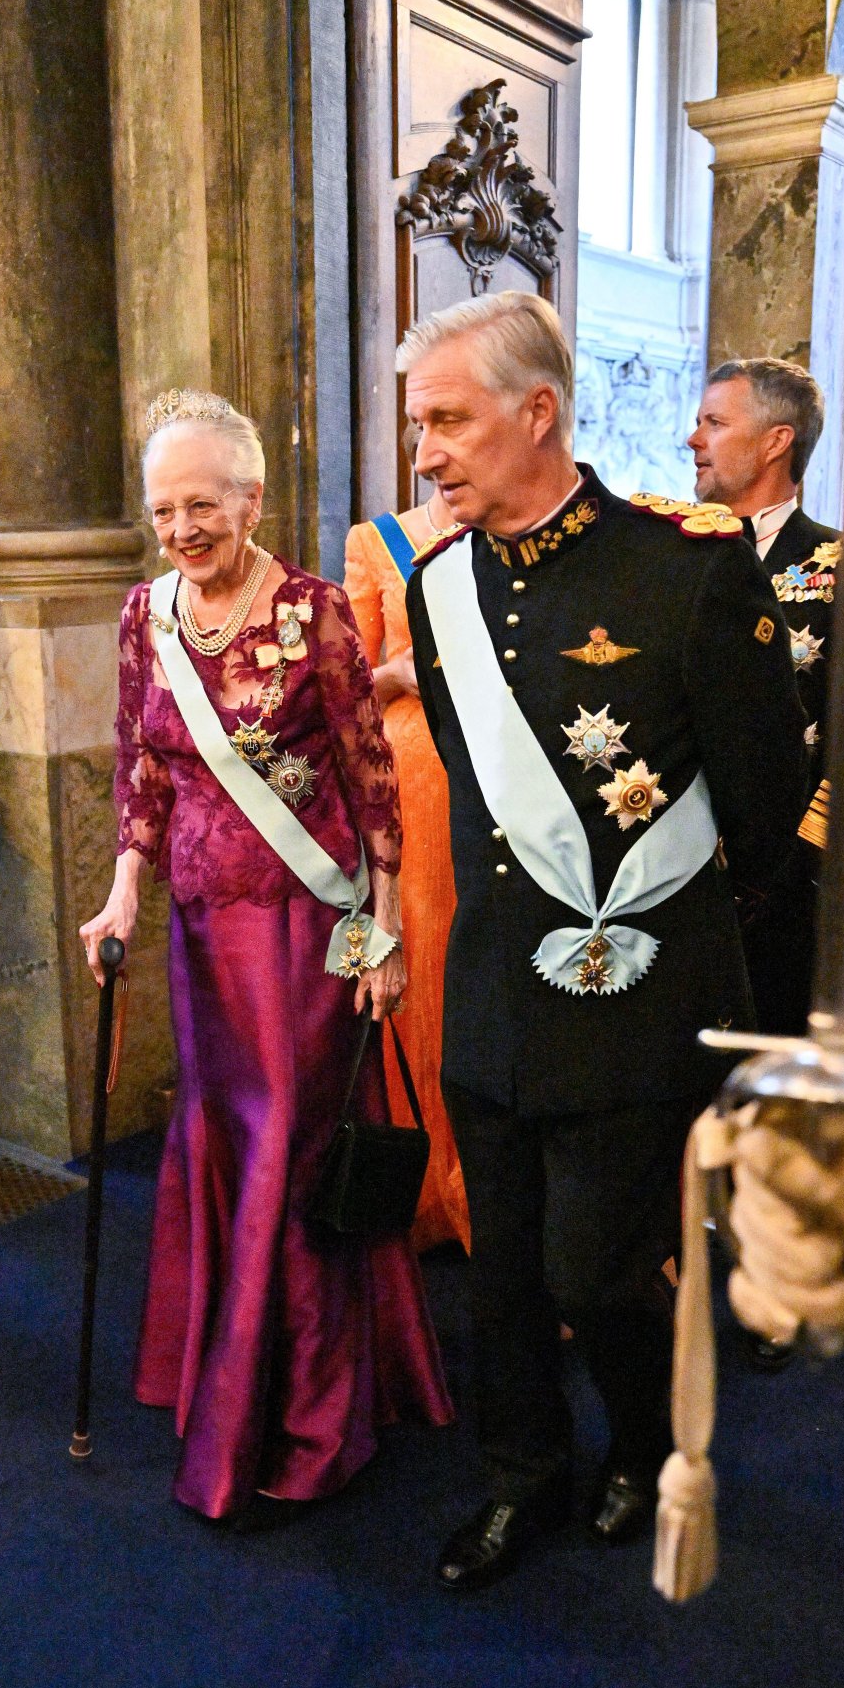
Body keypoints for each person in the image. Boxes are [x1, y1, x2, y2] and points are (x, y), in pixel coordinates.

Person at [399, 291, 808, 1590]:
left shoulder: (686, 569)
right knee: (503, 1274)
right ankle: (524, 1479)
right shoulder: (439, 587)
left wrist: (659, 952)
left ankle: (637, 1442)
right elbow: (474, 793)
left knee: (602, 1267)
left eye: (450, 421)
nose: (426, 452)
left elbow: (754, 809)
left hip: (636, 1004)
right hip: (492, 1001)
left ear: (537, 413)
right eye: (420, 424)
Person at [80, 388, 452, 1525]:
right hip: (201, 928)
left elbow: (366, 769)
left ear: (251, 497)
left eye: (203, 503)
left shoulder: (316, 608)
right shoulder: (147, 614)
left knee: (292, 1141)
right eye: (162, 508)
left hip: (304, 928)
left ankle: (306, 1419)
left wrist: (382, 923)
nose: (182, 528)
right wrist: (119, 894)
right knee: (225, 1134)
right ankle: (225, 1370)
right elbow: (142, 767)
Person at [688, 358, 838, 1038]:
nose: (693, 440)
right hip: (671, 893)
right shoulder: (667, 561)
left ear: (777, 440)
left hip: (794, 901)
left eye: (715, 423)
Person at [343, 474, 471, 1254]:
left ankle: (483, 1188)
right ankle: (418, 1185)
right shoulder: (375, 542)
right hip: (408, 789)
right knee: (409, 966)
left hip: (500, 780)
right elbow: (343, 682)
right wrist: (401, 674)